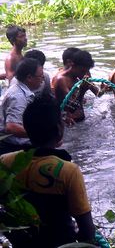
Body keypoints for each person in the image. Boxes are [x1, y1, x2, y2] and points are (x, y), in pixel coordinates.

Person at [0, 96, 95, 247]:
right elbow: (87, 232)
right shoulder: (69, 171)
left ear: (26, 127)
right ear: (58, 129)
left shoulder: (5, 162)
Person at [0, 59, 45, 154]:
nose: (43, 79)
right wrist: (41, 136)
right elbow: (12, 127)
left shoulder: (21, 87)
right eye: (41, 76)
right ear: (29, 77)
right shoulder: (18, 96)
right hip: (13, 147)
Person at [54, 50, 97, 124]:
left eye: (86, 71)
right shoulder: (61, 80)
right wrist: (82, 91)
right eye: (82, 71)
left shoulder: (82, 74)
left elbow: (97, 93)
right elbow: (72, 107)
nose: (84, 74)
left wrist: (104, 89)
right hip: (68, 122)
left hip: (81, 119)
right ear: (72, 65)